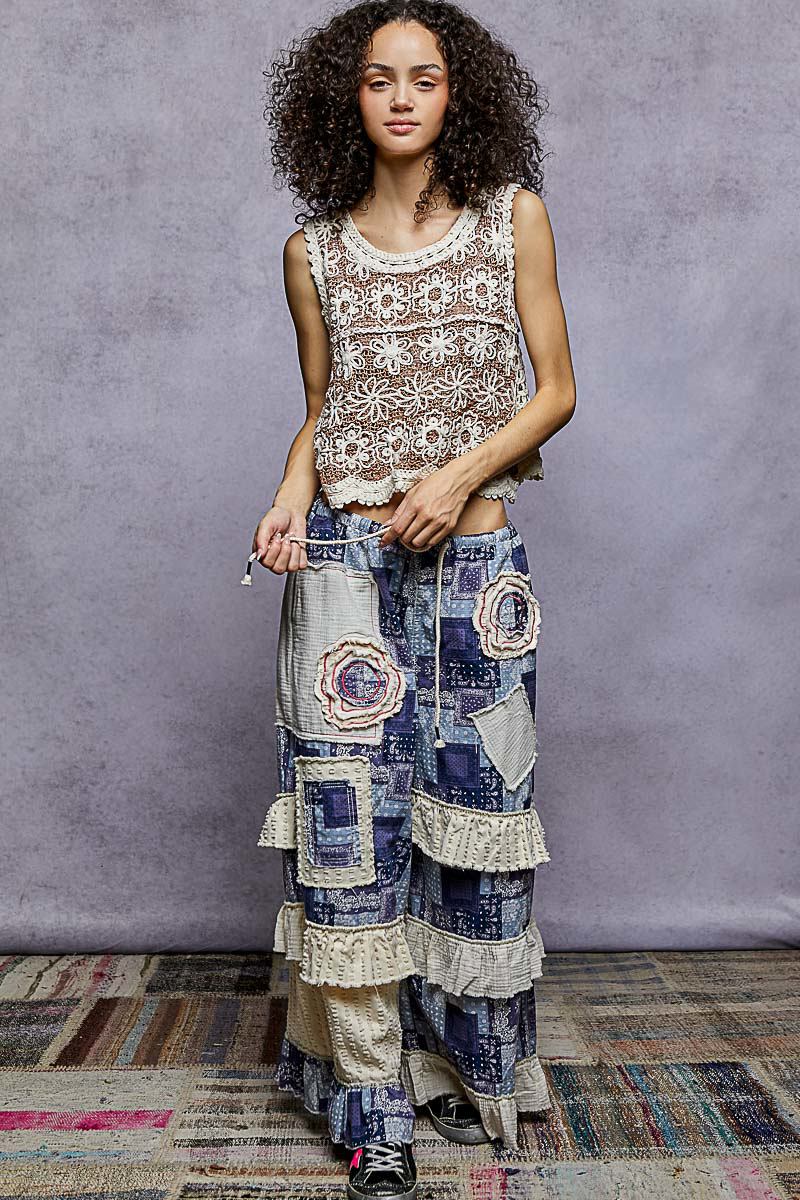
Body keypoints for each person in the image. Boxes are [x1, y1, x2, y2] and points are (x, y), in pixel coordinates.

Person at [245, 3, 575, 1196]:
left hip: (473, 572)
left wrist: (456, 476)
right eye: (378, 78)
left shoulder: (510, 217)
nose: (399, 97)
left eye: (421, 78)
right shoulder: (311, 252)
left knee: (477, 825)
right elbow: (324, 412)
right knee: (351, 835)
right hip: (343, 566)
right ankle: (371, 1103)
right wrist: (286, 497)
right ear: (345, 97)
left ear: (455, 94)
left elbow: (553, 391)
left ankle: (462, 1069)